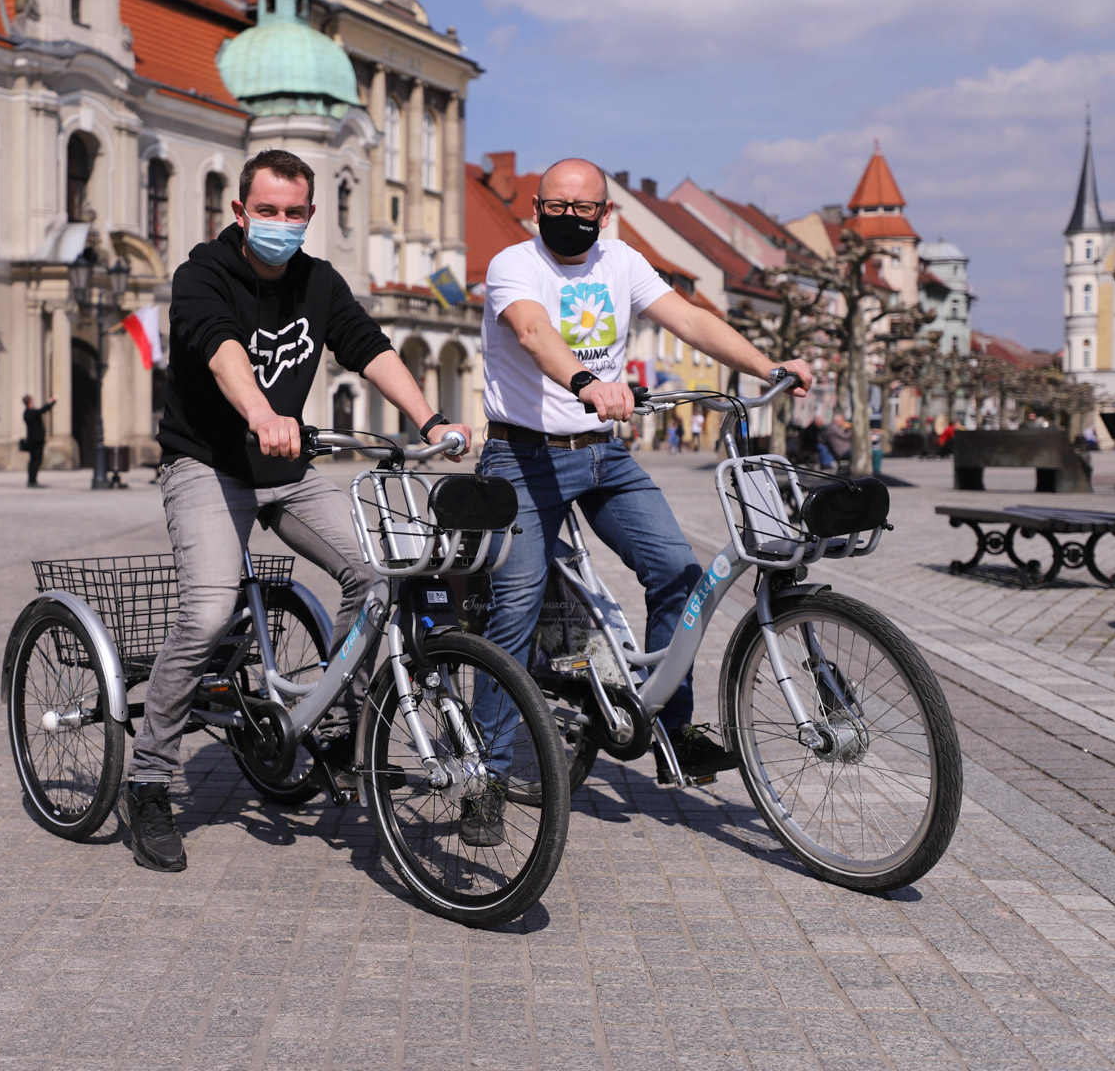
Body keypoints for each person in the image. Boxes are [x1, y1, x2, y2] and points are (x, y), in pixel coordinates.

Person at [124, 149, 470, 873]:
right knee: (209, 615)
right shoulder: (202, 275)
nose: (281, 224)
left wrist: (432, 420)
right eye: (268, 210)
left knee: (379, 575)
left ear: (308, 217)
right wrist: (258, 411)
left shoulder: (318, 280)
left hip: (288, 468)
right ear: (241, 212)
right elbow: (219, 348)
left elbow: (368, 347)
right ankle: (149, 781)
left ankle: (336, 725)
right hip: (207, 464)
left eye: (294, 213)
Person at [473, 158, 813, 793]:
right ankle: (484, 776)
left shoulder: (621, 262)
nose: (570, 218)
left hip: (604, 453)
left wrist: (766, 366)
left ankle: (671, 733)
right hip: (523, 458)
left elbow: (689, 321)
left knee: (680, 575)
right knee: (515, 607)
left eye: (585, 209)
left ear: (606, 214)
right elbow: (531, 330)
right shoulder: (513, 264)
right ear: (537, 208)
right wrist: (588, 382)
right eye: (558, 207)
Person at [21, 395, 56, 487]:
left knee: (33, 461)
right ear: (30, 402)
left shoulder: (26, 413)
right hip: (36, 441)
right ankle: (32, 481)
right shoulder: (31, 412)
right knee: (36, 461)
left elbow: (40, 411)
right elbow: (42, 410)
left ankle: (31, 480)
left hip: (32, 440)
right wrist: (52, 401)